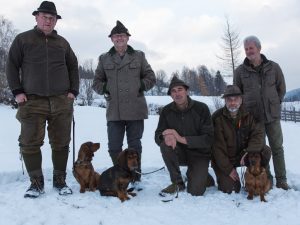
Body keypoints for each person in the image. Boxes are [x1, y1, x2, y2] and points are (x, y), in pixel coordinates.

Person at [6, 1, 79, 198]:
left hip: (61, 101)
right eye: (44, 17)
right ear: (36, 17)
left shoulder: (62, 43)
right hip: (31, 101)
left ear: (56, 21)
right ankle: (36, 183)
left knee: (61, 142)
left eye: (52, 18)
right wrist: (17, 91)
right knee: (29, 142)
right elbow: (12, 65)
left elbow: (73, 66)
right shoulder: (23, 40)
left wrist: (73, 90)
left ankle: (60, 181)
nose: (48, 20)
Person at [92, 20, 156, 181]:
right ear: (111, 39)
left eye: (122, 36)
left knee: (135, 146)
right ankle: (121, 174)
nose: (119, 38)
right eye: (116, 36)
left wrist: (140, 86)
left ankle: (136, 176)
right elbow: (96, 83)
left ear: (128, 38)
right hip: (115, 110)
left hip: (135, 108)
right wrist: (106, 89)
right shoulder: (104, 58)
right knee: (114, 146)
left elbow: (151, 77)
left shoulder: (139, 56)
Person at [234, 35, 290, 190]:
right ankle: (268, 178)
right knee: (260, 150)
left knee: (277, 147)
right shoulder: (240, 71)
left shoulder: (274, 67)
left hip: (272, 116)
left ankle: (282, 179)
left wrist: (274, 103)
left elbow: (281, 88)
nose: (248, 51)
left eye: (251, 48)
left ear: (259, 48)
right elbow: (237, 94)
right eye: (246, 49)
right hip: (253, 118)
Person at [154, 76, 214, 196]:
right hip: (179, 152)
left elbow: (208, 138)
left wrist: (180, 138)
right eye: (173, 91)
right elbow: (158, 134)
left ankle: (202, 175)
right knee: (165, 145)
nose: (177, 93)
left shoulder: (201, 108)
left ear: (186, 91)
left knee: (196, 191)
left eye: (180, 89)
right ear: (170, 95)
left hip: (199, 153)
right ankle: (177, 183)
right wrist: (164, 137)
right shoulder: (166, 111)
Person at [211, 85, 271, 193]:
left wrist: (248, 152)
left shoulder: (250, 114)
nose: (233, 103)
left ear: (241, 100)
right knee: (230, 189)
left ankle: (258, 175)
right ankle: (230, 178)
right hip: (226, 158)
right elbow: (217, 148)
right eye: (229, 100)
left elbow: (258, 136)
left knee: (265, 151)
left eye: (236, 99)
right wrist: (229, 170)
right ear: (225, 100)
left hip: (245, 155)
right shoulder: (217, 117)